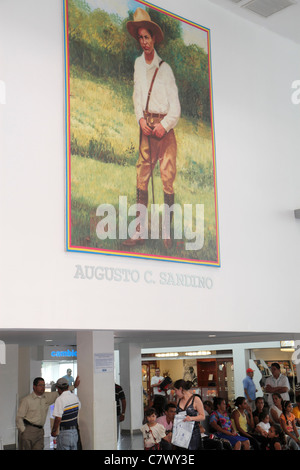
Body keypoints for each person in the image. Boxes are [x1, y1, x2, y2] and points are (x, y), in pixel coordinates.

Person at [124, 7, 181, 249]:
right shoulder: (138, 64)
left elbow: (176, 108)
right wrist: (140, 120)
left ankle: (167, 233)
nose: (144, 41)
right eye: (141, 37)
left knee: (167, 178)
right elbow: (137, 95)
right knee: (142, 177)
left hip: (164, 131)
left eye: (147, 37)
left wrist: (164, 126)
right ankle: (140, 231)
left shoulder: (165, 68)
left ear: (154, 38)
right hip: (146, 127)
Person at [16, 375, 80, 450]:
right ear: (34, 386)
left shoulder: (46, 397)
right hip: (28, 430)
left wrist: (74, 386)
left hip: (40, 432)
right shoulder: (26, 400)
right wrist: (23, 431)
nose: (43, 387)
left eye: (44, 385)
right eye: (40, 385)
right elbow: (19, 417)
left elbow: (61, 391)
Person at [173, 379, 205, 450]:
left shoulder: (195, 399)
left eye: (176, 390)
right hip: (181, 432)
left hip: (193, 432)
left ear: (181, 389)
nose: (175, 393)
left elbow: (202, 416)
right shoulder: (179, 399)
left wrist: (191, 418)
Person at [51, 377, 81, 450]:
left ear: (58, 388)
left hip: (64, 433)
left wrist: (54, 431)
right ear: (68, 386)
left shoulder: (60, 399)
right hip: (74, 432)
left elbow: (58, 418)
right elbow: (79, 408)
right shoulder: (75, 397)